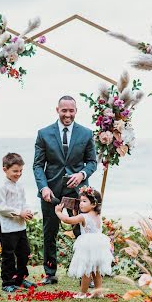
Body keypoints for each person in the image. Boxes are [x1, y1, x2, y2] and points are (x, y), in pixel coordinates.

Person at [33, 96, 97, 285]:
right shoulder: (43, 133)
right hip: (51, 194)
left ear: (76, 111)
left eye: (71, 111)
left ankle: (86, 275)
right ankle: (50, 274)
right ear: (57, 110)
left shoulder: (86, 134)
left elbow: (92, 162)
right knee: (49, 233)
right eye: (64, 110)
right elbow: (37, 165)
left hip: (78, 193)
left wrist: (82, 175)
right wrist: (43, 187)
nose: (67, 114)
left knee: (82, 233)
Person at [55, 186, 113, 298]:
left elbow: (67, 220)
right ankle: (98, 292)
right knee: (96, 270)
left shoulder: (83, 216)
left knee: (86, 270)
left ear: (93, 204)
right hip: (99, 244)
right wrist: (75, 212)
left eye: (84, 201)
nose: (81, 203)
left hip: (87, 244)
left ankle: (82, 293)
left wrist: (58, 212)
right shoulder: (97, 215)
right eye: (80, 201)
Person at [0, 153, 37, 293]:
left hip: (19, 226)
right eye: (15, 171)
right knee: (8, 256)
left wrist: (27, 210)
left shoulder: (20, 186)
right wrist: (19, 212)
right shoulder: (1, 188)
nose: (18, 174)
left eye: (21, 171)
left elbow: (24, 202)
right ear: (5, 169)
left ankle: (20, 278)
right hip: (6, 227)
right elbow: (1, 208)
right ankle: (7, 282)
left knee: (24, 252)